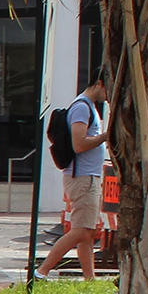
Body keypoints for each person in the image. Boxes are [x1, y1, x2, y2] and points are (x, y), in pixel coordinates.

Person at [39, 70, 112, 278]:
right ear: (99, 84)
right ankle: (42, 270)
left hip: (87, 177)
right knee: (82, 231)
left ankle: (90, 280)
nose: (109, 95)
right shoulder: (81, 108)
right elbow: (78, 144)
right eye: (108, 89)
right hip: (83, 178)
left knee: (87, 234)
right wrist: (106, 136)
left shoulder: (88, 107)